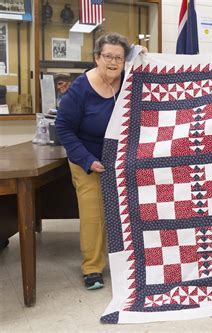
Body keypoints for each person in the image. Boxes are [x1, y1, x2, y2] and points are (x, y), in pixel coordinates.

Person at [56, 32, 141, 290]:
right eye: (107, 56)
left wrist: (141, 53)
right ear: (96, 58)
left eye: (119, 57)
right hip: (86, 157)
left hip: (118, 160)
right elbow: (63, 128)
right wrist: (87, 160)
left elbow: (144, 65)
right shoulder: (80, 88)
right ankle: (92, 268)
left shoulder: (127, 80)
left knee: (121, 211)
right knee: (94, 214)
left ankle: (123, 262)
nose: (113, 62)